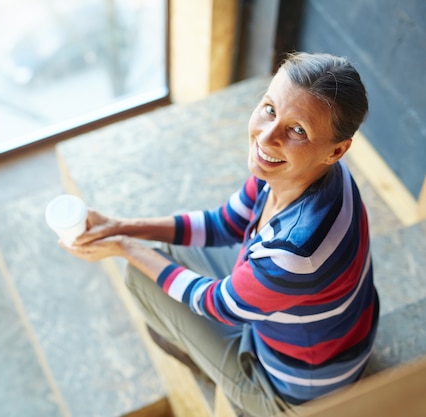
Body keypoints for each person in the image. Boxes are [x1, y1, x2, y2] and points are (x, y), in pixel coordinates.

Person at [60, 52, 379, 417]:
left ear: (336, 150)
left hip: (299, 394)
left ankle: (243, 396)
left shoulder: (295, 253)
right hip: (337, 338)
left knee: (140, 277)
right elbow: (223, 223)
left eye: (297, 130)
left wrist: (124, 247)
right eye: (270, 109)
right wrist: (120, 225)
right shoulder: (309, 171)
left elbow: (215, 304)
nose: (267, 137)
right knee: (164, 255)